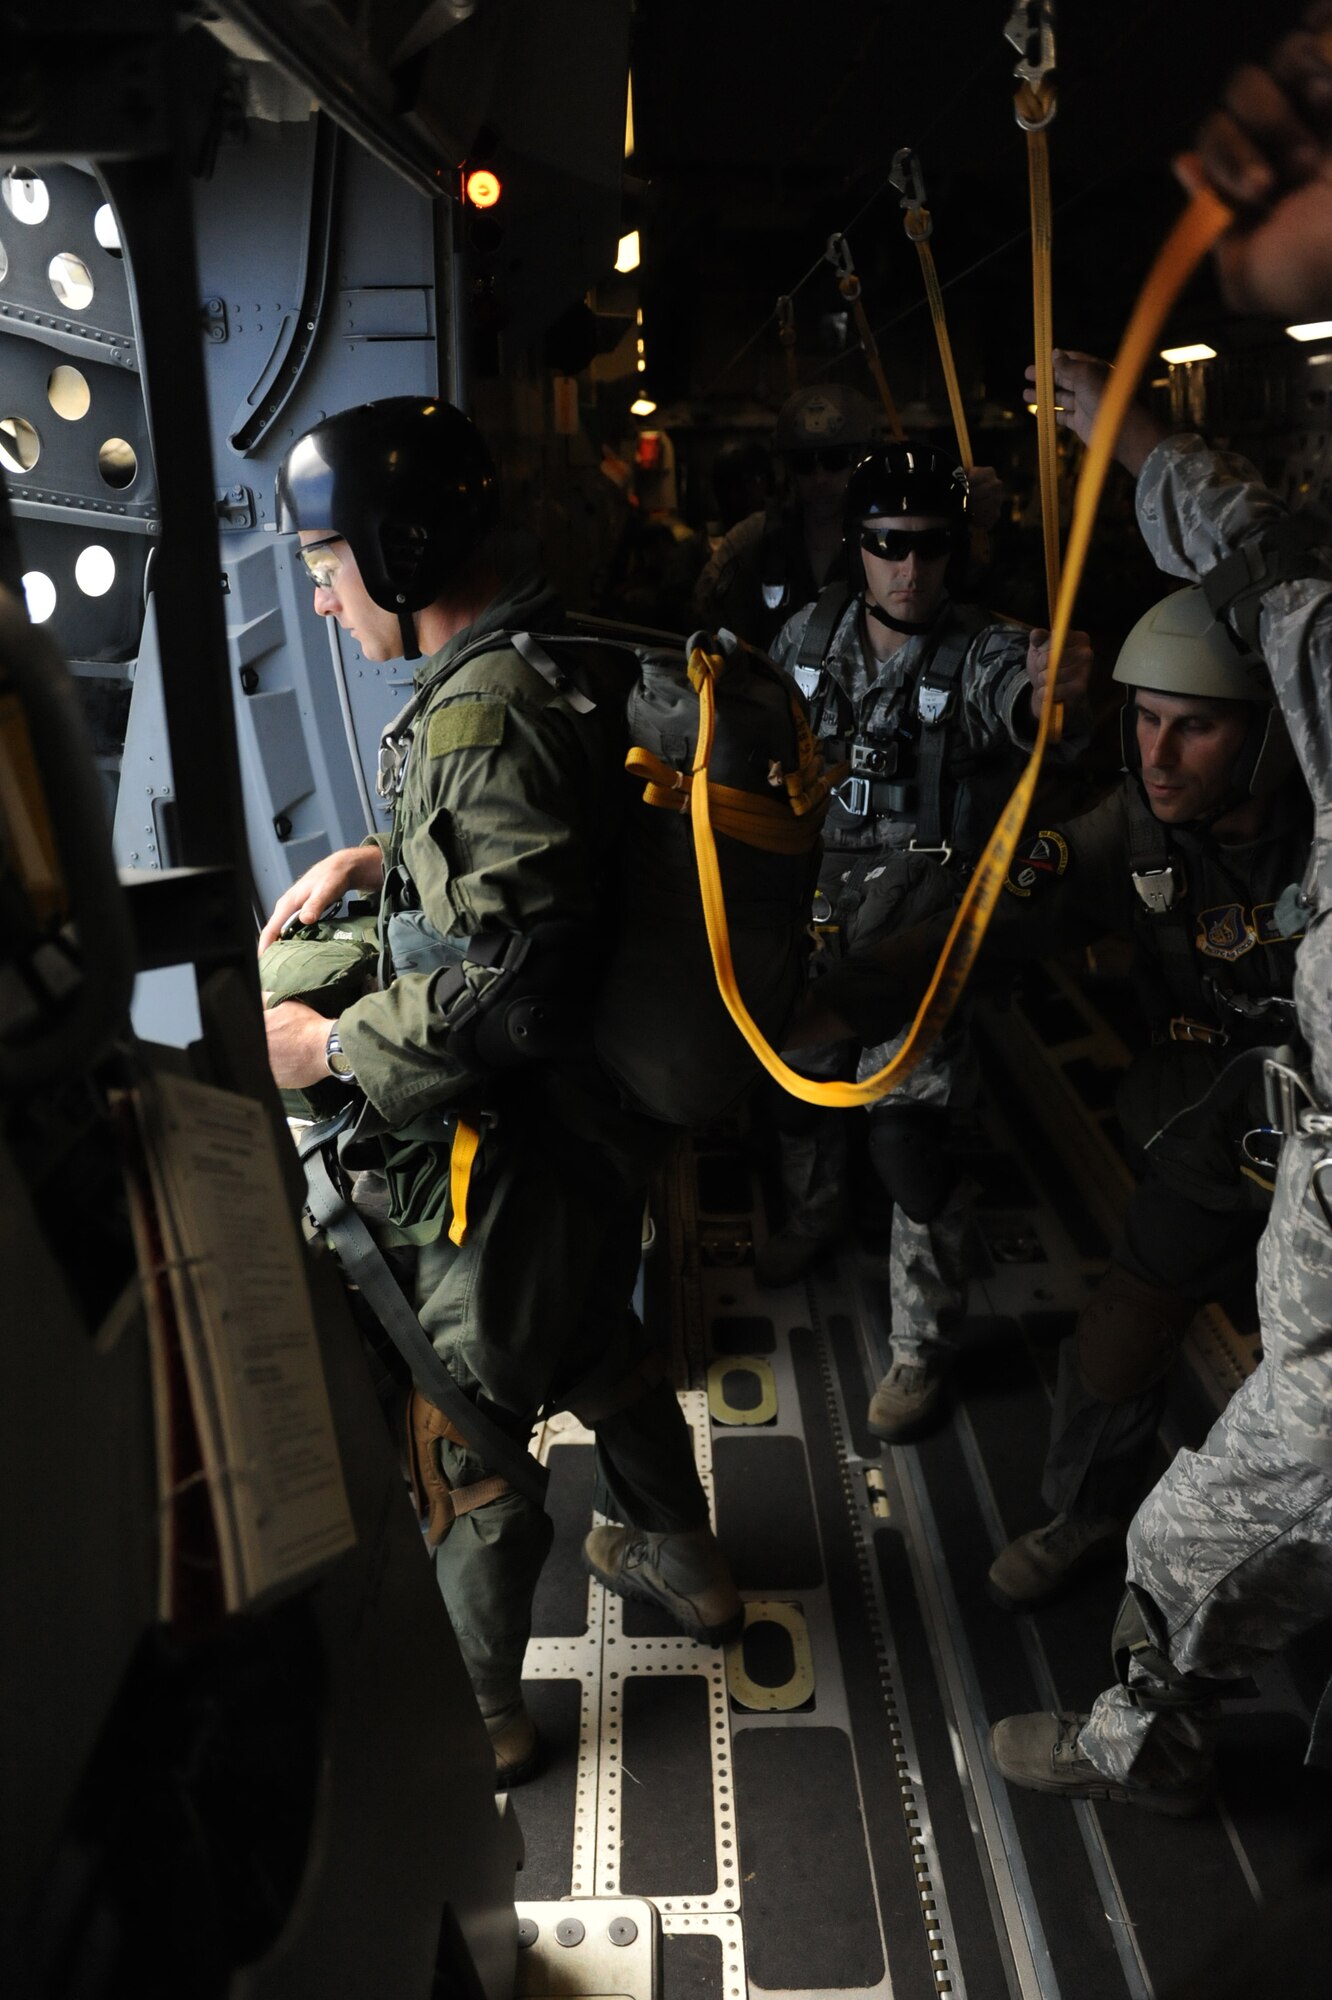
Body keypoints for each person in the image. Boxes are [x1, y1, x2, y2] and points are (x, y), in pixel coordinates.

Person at [258, 397, 741, 1788]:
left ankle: (478, 1713)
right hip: (600, 1126)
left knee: (462, 1417)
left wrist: (331, 1054)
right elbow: (536, 881)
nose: (323, 593)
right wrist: (376, 860)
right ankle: (694, 1571)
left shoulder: (480, 715)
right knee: (595, 1336)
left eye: (328, 560)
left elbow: (512, 986)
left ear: (401, 555)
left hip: (527, 1140)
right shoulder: (544, 657)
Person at [990, 6, 1332, 1811]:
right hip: (1267, 1166)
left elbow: (1277, 578)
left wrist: (1131, 446)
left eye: (1305, 104)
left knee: (1210, 1523)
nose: (1242, 138)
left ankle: (1146, 1738)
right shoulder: (1157, 795)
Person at [813, 584, 1309, 1600]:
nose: (1159, 755)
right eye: (1146, 718)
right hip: (1225, 1132)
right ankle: (1089, 1511)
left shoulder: (1322, 836)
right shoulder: (1132, 828)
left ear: (1264, 737)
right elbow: (980, 921)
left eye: (1197, 727)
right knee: (1121, 1332)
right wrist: (829, 1009)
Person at [758, 440, 1093, 1444]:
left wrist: (1054, 688)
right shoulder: (805, 638)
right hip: (814, 923)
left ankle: (921, 1343)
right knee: (794, 1085)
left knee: (908, 1142)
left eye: (934, 549)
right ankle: (814, 1214)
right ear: (856, 545)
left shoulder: (981, 648)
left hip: (916, 944)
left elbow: (1031, 712)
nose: (911, 571)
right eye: (889, 546)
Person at [691, 384, 882, 648]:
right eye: (804, 464)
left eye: (836, 460)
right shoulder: (753, 536)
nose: (820, 478)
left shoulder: (887, 539)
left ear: (860, 460)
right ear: (789, 470)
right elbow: (707, 607)